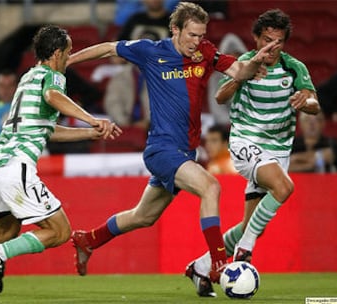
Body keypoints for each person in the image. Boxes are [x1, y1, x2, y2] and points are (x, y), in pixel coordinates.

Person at [66, 1, 281, 297]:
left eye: (201, 34)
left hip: (185, 153)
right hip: (161, 150)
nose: (198, 41)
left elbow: (239, 71)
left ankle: (88, 239)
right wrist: (67, 62)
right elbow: (107, 48)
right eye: (192, 35)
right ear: (175, 30)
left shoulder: (205, 52)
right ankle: (217, 263)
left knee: (143, 216)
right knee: (211, 188)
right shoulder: (150, 51)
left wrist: (255, 61)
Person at [0, 25, 121, 304]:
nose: (69, 57)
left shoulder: (28, 77)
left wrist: (90, 132)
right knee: (60, 230)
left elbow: (45, 129)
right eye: (68, 51)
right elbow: (54, 97)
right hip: (17, 165)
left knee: (6, 231)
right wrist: (92, 119)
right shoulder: (53, 77)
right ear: (56, 53)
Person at [186, 8, 320, 297]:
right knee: (284, 187)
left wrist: (304, 101)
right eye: (267, 40)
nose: (272, 47)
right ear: (256, 39)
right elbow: (220, 97)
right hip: (246, 141)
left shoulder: (293, 67)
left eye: (279, 42)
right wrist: (243, 76)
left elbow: (314, 103)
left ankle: (200, 266)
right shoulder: (244, 62)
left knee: (250, 223)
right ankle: (245, 251)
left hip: (278, 150)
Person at [208, 33, 247, 125]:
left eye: (237, 56)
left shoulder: (253, 74)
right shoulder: (216, 78)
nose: (233, 60)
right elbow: (216, 109)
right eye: (229, 57)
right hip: (227, 126)